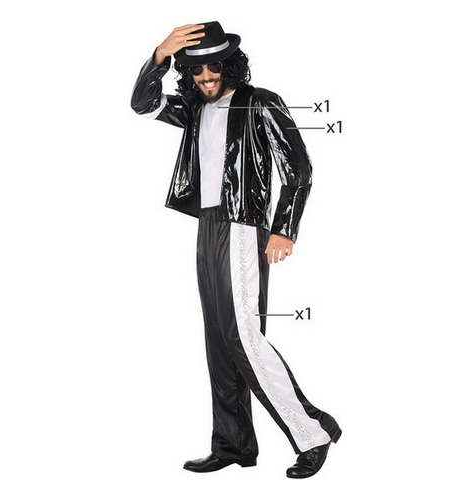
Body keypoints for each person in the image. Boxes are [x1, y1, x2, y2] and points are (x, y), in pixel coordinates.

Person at [131, 21, 342, 479]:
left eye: (214, 70)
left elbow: (299, 168)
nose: (206, 79)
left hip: (243, 225)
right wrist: (160, 54)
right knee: (219, 338)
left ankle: (313, 431)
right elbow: (142, 104)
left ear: (230, 67)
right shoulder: (194, 109)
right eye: (197, 73)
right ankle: (233, 443)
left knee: (244, 336)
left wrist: (284, 228)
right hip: (208, 225)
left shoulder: (258, 102)